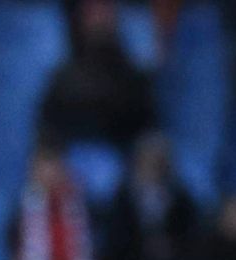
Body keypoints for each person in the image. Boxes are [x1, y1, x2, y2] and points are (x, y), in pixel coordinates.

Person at [37, 0, 156, 156]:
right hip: (69, 134)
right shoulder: (54, 51)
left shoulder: (139, 54)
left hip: (119, 137)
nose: (99, 14)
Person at [100, 132, 199, 260]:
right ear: (137, 162)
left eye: (158, 162)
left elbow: (191, 239)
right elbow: (115, 242)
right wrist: (144, 249)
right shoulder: (121, 199)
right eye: (147, 161)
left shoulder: (182, 200)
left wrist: (170, 248)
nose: (153, 167)